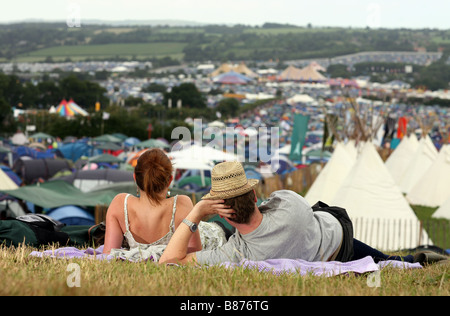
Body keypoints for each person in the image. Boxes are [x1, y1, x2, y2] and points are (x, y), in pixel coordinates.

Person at [159, 161, 414, 266]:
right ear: (255, 196)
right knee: (391, 261)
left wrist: (196, 213)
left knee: (389, 262)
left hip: (328, 252)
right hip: (339, 238)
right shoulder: (290, 205)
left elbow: (168, 262)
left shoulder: (236, 253)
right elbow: (284, 203)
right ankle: (409, 261)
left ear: (222, 214)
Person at [103, 148, 227, 261]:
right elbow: (194, 253)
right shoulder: (181, 203)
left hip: (206, 232)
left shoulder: (120, 203)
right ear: (170, 181)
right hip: (213, 235)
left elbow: (108, 254)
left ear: (135, 177)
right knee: (220, 228)